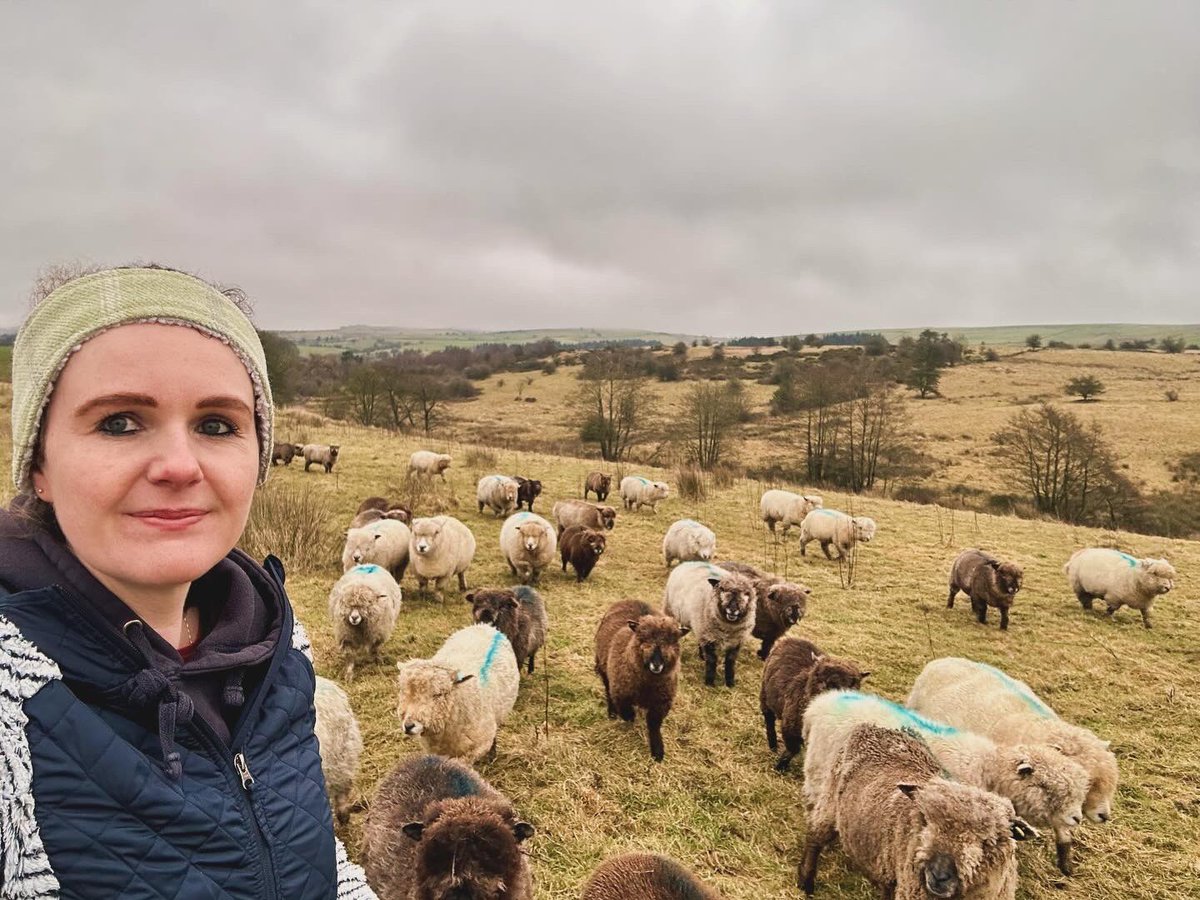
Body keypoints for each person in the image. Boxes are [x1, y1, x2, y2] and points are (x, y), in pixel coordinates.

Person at [0, 265, 376, 899]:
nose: (179, 465)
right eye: (119, 422)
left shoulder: (279, 652)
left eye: (217, 425)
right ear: (38, 463)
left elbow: (317, 865)